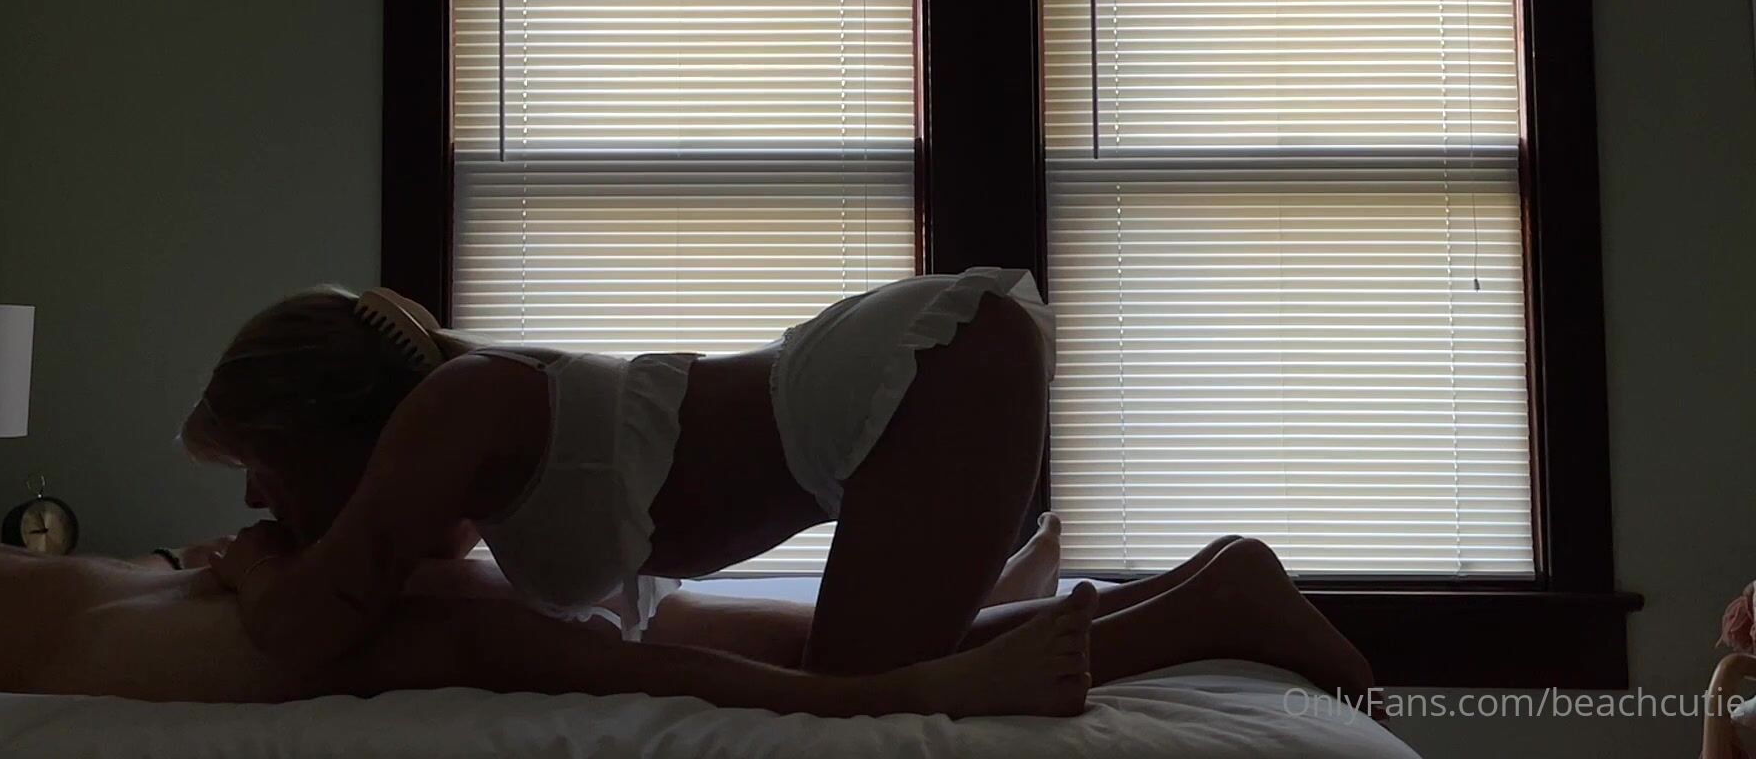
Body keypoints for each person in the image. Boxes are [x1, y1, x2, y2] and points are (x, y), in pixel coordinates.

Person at [179, 273, 1367, 701]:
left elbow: (304, 632)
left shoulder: (456, 408)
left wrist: (253, 570)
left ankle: (1223, 604)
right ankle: (1204, 587)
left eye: (261, 473)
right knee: (854, 660)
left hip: (929, 371)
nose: (255, 507)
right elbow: (414, 600)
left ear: (325, 430)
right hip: (914, 378)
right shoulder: (462, 439)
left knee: (870, 686)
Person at [0, 520, 1372, 716]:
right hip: (160, 614)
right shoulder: (307, 594)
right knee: (778, 641)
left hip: (188, 616)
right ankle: (1182, 601)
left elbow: (618, 659)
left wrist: (931, 689)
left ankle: (1178, 606)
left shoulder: (362, 610)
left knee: (824, 656)